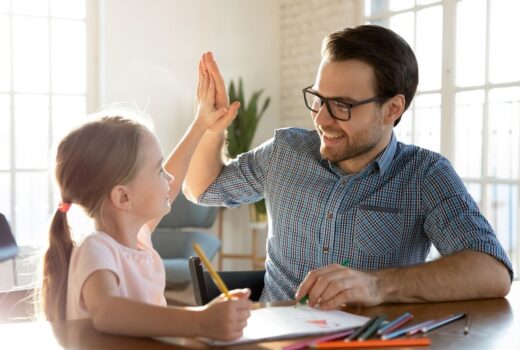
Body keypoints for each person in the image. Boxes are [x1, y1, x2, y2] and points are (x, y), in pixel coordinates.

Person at [184, 26, 513, 309]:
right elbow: (202, 188)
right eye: (319, 98)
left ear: (392, 108)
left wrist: (375, 286)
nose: (322, 119)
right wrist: (212, 129)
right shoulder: (285, 152)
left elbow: (492, 273)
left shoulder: (425, 175)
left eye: (342, 106)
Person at [39, 54, 252, 341]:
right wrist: (199, 321)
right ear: (123, 197)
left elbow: (173, 182)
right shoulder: (96, 249)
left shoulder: (137, 238)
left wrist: (201, 124)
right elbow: (108, 312)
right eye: (157, 171)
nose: (169, 178)